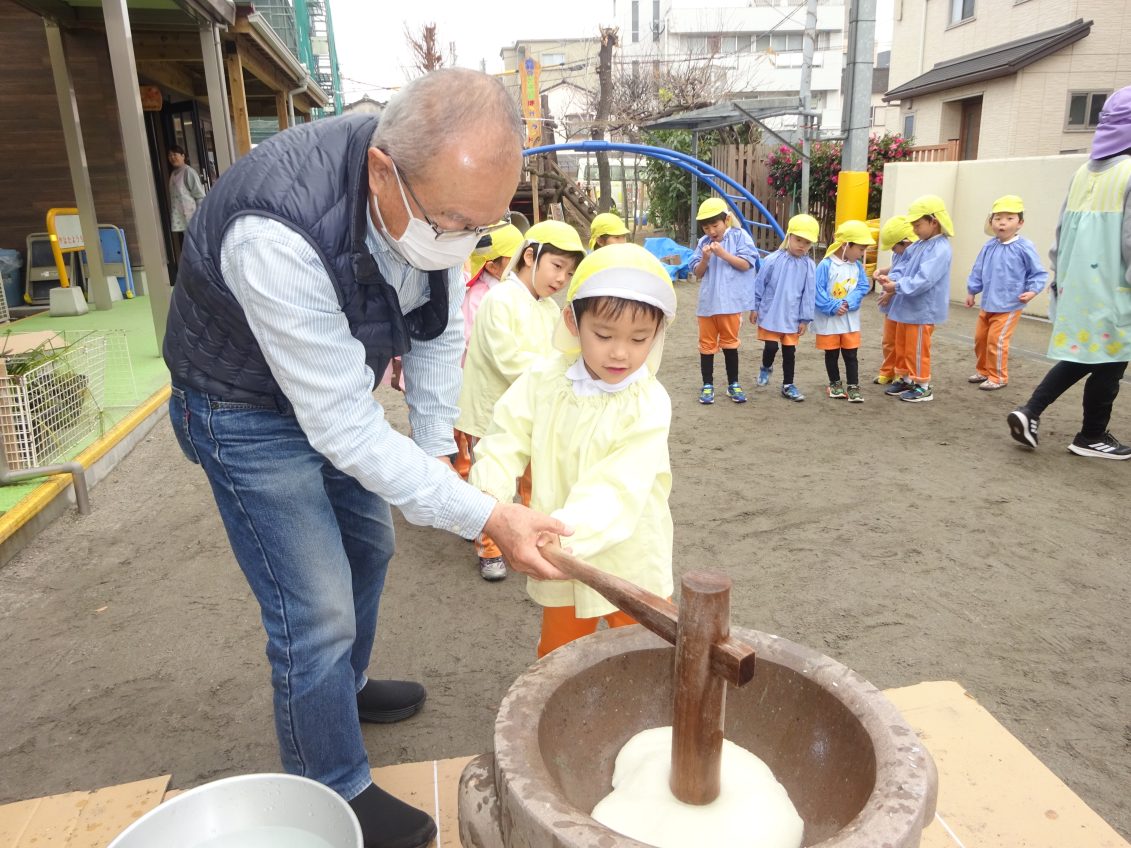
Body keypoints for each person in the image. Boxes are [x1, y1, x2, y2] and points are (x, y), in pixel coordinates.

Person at [163, 69, 571, 848]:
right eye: (452, 222)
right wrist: (484, 514)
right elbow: (346, 430)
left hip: (326, 390)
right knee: (314, 608)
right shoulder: (276, 233)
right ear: (382, 172)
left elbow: (437, 331)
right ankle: (332, 785)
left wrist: (433, 455)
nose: (462, 243)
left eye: (481, 227)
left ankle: (338, 689)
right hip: (240, 407)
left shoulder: (435, 201)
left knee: (369, 545)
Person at [469, 243, 676, 656]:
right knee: (560, 656)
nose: (620, 352)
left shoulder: (649, 402)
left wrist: (561, 533)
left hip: (627, 556)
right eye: (604, 335)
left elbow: (618, 487)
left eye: (640, 339)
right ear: (572, 321)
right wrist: (489, 498)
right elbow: (504, 437)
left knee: (647, 655)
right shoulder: (545, 379)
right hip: (561, 558)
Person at [457, 220, 587, 581]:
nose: (561, 279)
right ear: (530, 256)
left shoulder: (549, 308)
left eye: (569, 273)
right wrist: (556, 376)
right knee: (493, 475)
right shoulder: (500, 299)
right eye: (557, 266)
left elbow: (560, 354)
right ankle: (489, 547)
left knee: (534, 476)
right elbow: (509, 360)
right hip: (493, 412)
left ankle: (532, 537)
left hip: (533, 412)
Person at [1008, 85, 1131, 459]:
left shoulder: (1082, 173)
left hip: (1078, 286)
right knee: (1110, 363)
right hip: (1115, 290)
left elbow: (1061, 232)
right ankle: (1091, 435)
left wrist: (1058, 279)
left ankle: (1031, 411)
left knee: (1086, 356)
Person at [453, 223, 524, 480]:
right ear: (492, 266)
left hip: (502, 387)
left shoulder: (513, 293)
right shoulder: (480, 296)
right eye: (515, 259)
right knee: (481, 449)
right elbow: (472, 342)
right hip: (480, 385)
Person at [964, 195, 1048, 390]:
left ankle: (998, 377)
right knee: (981, 339)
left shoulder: (1024, 247)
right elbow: (978, 269)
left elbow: (1038, 272)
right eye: (998, 218)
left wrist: (1032, 291)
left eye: (1009, 218)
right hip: (988, 303)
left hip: (1009, 304)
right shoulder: (989, 246)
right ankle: (984, 371)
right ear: (991, 221)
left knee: (997, 340)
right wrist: (972, 291)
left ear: (1020, 223)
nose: (1003, 222)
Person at [876, 195, 954, 403]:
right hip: (908, 307)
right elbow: (904, 267)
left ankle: (922, 385)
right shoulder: (920, 244)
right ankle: (906, 378)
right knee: (903, 346)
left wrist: (896, 286)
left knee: (917, 348)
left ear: (933, 222)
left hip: (922, 310)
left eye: (917, 225)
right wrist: (891, 279)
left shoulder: (940, 248)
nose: (914, 229)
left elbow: (924, 279)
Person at [690, 198, 759, 404]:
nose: (711, 231)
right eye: (706, 227)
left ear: (726, 220)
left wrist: (722, 253)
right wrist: (705, 259)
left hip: (730, 304)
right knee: (706, 346)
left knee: (730, 345)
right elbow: (697, 273)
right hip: (708, 305)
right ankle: (707, 385)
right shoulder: (703, 243)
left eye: (715, 225)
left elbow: (746, 264)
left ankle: (733, 384)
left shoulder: (740, 236)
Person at [750, 214, 817, 402]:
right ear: (789, 236)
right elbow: (760, 283)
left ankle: (788, 385)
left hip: (792, 316)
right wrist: (755, 307)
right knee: (771, 347)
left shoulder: (809, 266)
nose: (802, 245)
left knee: (789, 352)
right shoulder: (772, 260)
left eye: (807, 242)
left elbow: (809, 294)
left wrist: (805, 319)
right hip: (771, 313)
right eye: (798, 240)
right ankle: (766, 367)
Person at [814, 220, 874, 402]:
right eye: (861, 249)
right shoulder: (826, 265)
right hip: (830, 320)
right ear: (846, 245)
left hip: (850, 320)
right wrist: (833, 306)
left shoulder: (857, 266)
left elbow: (863, 286)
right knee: (831, 353)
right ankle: (834, 383)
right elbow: (817, 290)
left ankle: (853, 386)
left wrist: (848, 302)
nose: (862, 253)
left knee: (851, 353)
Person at [873, 216, 917, 385]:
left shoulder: (914, 256)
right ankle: (888, 370)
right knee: (888, 340)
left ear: (905, 242)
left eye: (894, 247)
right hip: (892, 305)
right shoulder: (900, 253)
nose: (893, 251)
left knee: (901, 342)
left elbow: (903, 277)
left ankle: (901, 372)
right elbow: (895, 267)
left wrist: (890, 292)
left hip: (902, 305)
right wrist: (883, 270)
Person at [167, 145, 206, 264]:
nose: (172, 157)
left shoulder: (188, 172)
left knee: (196, 244)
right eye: (170, 155)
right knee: (190, 244)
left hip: (192, 215)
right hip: (182, 216)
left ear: (183, 156)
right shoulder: (173, 174)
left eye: (175, 154)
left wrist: (199, 216)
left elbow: (199, 195)